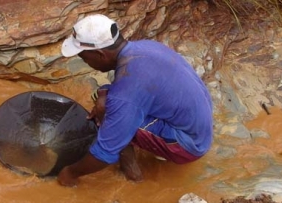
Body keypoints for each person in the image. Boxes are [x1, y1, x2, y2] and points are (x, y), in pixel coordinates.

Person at [57, 14, 213, 187]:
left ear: (100, 54)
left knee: (110, 115)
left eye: (84, 58)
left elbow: (105, 153)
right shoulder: (144, 47)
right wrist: (104, 94)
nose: (86, 63)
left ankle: (134, 175)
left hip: (189, 145)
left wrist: (70, 173)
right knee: (111, 103)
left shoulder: (127, 89)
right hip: (199, 123)